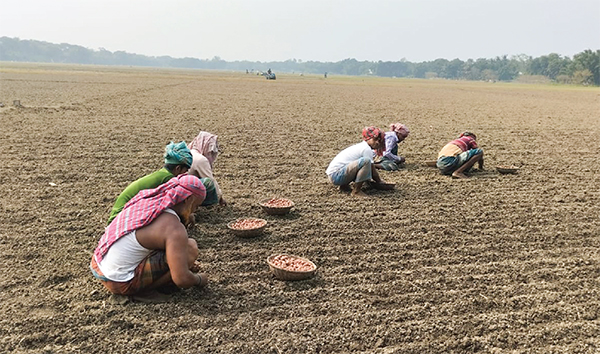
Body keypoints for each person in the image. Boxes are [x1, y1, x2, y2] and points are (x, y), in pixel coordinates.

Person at [91, 174, 209, 302]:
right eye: (195, 206)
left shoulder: (148, 203)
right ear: (188, 200)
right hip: (120, 282)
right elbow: (181, 279)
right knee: (190, 248)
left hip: (101, 267)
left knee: (176, 252)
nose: (194, 212)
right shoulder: (174, 228)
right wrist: (199, 279)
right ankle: (144, 291)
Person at [326, 126, 389, 197]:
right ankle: (356, 191)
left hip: (333, 175)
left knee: (359, 163)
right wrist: (379, 181)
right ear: (368, 138)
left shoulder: (361, 146)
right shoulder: (366, 149)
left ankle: (344, 186)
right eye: (375, 139)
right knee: (366, 161)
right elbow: (372, 168)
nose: (377, 142)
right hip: (336, 175)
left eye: (379, 140)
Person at [188, 131, 227, 205]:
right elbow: (211, 180)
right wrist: (220, 197)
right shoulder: (200, 159)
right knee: (207, 183)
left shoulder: (189, 153)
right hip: (188, 191)